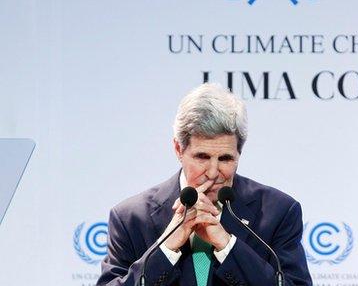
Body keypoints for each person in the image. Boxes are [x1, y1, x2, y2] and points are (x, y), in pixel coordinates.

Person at [97, 83, 312, 286]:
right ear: (178, 150)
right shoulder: (131, 218)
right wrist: (166, 248)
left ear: (239, 153)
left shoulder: (278, 212)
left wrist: (227, 245)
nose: (213, 172)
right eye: (202, 156)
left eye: (225, 159)